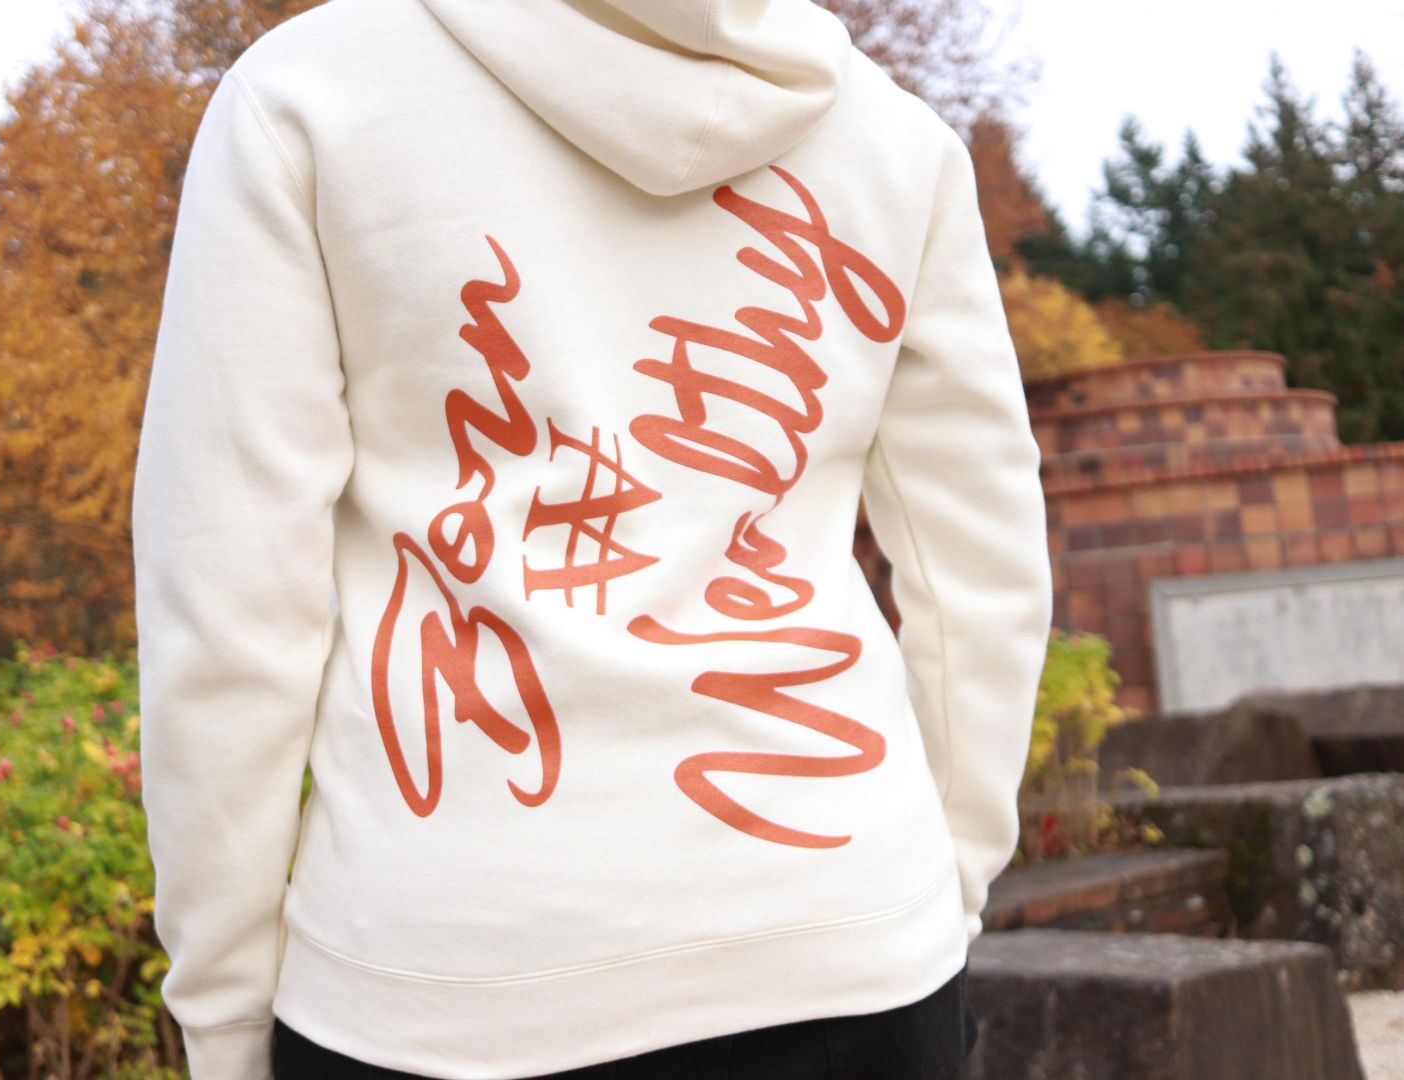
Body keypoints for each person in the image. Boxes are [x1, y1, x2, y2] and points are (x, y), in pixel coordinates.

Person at [130, 0, 1055, 1077]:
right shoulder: (894, 142)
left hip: (445, 984)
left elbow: (228, 601)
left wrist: (226, 1014)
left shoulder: (306, 96)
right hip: (852, 948)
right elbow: (982, 572)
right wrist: (940, 890)